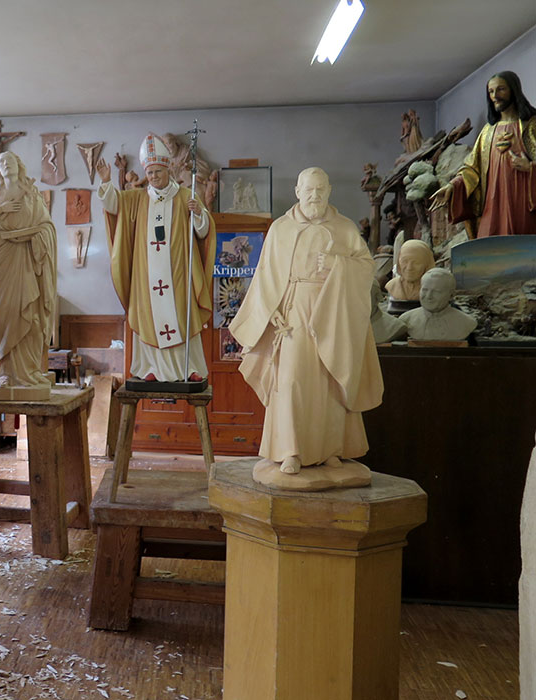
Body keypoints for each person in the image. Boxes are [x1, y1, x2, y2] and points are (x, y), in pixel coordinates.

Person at [229, 167, 383, 475]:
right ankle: (291, 450)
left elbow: (367, 267)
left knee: (331, 378)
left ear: (329, 191)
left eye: (321, 190)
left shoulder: (344, 228)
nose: (315, 196)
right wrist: (268, 308)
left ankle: (331, 449)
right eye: (309, 190)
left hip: (334, 312)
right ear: (298, 192)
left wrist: (338, 265)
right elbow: (265, 275)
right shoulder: (280, 229)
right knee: (292, 380)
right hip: (294, 310)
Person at [95, 132, 216, 382]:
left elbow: (203, 233)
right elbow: (113, 205)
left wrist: (199, 214)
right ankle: (150, 367)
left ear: (168, 169)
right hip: (147, 274)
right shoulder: (137, 198)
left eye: (157, 172)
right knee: (149, 316)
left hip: (179, 272)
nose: (153, 177)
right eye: (149, 173)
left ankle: (188, 368)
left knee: (183, 314)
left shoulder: (185, 197)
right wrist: (106, 183)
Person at [0, 152, 57, 392]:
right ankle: (0, 370)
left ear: (19, 166)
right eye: (1, 162)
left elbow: (46, 227)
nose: (5, 164)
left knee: (28, 315)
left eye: (10, 160)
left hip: (24, 259)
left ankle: (27, 372)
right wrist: (1, 210)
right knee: (1, 316)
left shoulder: (32, 194)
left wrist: (34, 235)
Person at [430, 70, 536, 237]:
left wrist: (530, 168)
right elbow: (472, 169)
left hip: (523, 204)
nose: (495, 95)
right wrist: (453, 186)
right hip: (493, 207)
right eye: (491, 91)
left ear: (513, 90)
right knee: (488, 252)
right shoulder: (487, 132)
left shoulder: (532, 124)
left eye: (501, 89)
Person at [399, 268, 478, 340]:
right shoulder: (406, 320)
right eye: (425, 290)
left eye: (437, 291)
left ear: (451, 295)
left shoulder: (466, 323)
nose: (428, 296)